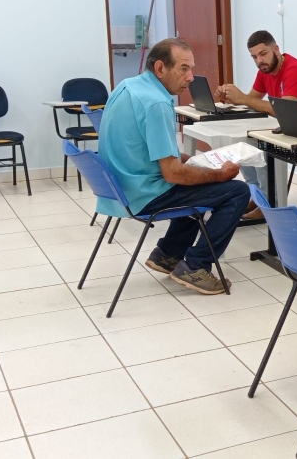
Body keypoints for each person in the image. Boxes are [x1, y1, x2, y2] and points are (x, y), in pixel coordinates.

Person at [98, 38, 250, 295]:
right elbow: (173, 173)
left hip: (122, 188)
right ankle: (196, 266)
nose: (190, 77)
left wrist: (191, 162)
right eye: (183, 69)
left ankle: (168, 254)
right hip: (143, 195)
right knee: (236, 192)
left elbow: (147, 148)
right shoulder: (157, 103)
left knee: (199, 181)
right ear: (160, 69)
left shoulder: (128, 86)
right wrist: (218, 174)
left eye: (191, 68)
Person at [214, 30, 297, 219]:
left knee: (258, 146)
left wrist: (244, 99)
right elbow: (251, 99)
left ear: (276, 49)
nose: (259, 61)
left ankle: (268, 202)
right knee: (245, 142)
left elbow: (286, 110)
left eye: (263, 54)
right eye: (254, 57)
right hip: (288, 129)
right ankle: (258, 198)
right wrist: (231, 98)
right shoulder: (265, 71)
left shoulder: (293, 69)